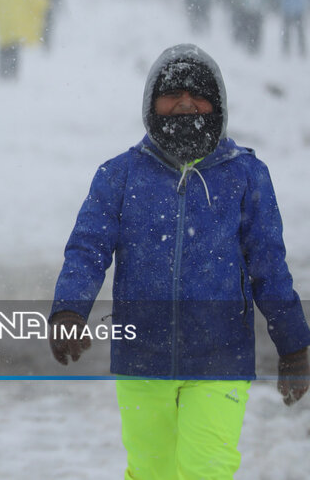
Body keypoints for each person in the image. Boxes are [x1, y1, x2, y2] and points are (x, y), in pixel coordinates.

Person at [49, 44, 310, 479]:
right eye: (172, 93)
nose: (186, 103)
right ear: (151, 104)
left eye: (199, 94)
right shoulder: (119, 175)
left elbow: (269, 267)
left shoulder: (246, 175)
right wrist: (69, 308)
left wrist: (294, 345)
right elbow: (87, 248)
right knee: (152, 471)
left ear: (218, 105)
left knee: (207, 469)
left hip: (220, 358)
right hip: (142, 358)